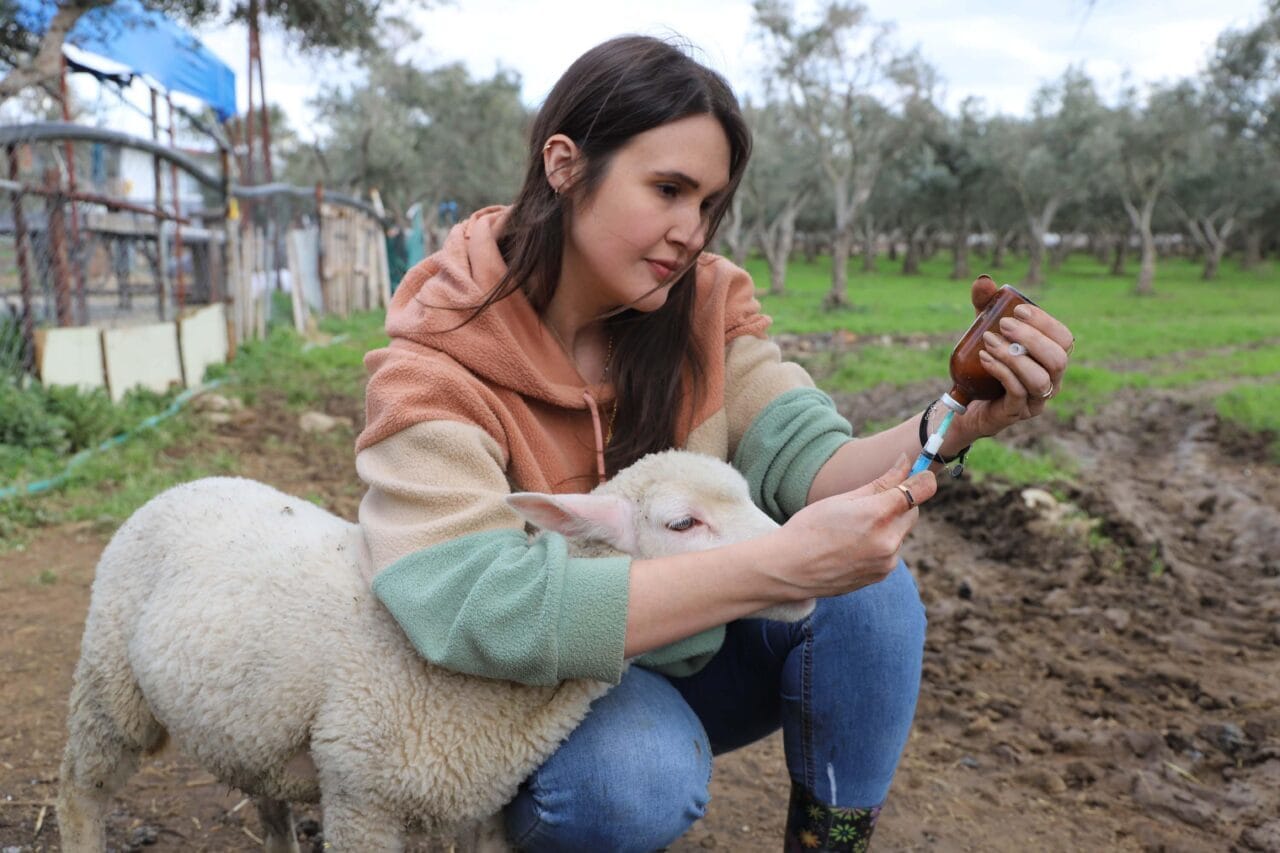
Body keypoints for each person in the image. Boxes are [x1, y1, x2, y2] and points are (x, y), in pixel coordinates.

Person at [355, 35, 1074, 852]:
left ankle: (829, 841)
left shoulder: (702, 306)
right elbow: (471, 605)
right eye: (668, 189)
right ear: (564, 164)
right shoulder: (433, 368)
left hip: (691, 658)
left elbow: (813, 464)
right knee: (634, 779)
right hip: (526, 694)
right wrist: (777, 566)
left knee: (872, 594)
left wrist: (955, 418)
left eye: (708, 205)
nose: (691, 232)